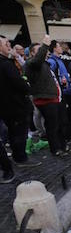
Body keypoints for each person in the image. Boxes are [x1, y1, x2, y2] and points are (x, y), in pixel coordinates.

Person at [0, 35, 41, 177]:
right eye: (6, 44)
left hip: (10, 107)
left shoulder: (7, 62)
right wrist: (27, 85)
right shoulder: (5, 64)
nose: (9, 46)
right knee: (18, 134)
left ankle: (19, 156)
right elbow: (19, 83)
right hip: (15, 106)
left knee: (15, 133)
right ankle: (20, 158)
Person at [26, 37, 67, 156]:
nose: (44, 51)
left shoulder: (45, 64)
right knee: (52, 126)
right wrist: (44, 45)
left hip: (54, 97)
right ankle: (56, 149)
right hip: (45, 99)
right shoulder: (32, 63)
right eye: (39, 50)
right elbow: (37, 61)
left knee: (59, 123)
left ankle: (62, 145)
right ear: (33, 53)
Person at [47, 40, 71, 143]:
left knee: (69, 115)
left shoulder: (59, 60)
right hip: (62, 92)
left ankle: (70, 134)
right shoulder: (52, 61)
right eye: (59, 46)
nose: (61, 48)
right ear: (54, 48)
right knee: (65, 116)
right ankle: (66, 136)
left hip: (68, 90)